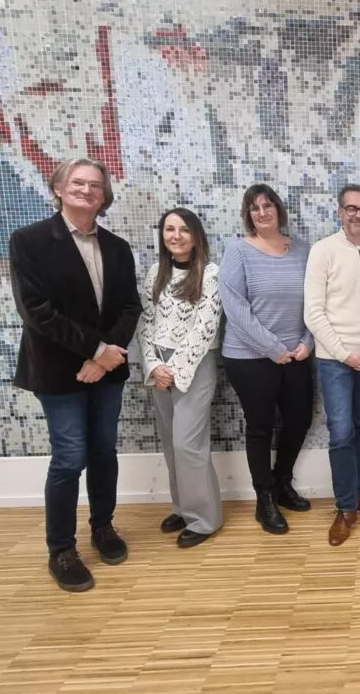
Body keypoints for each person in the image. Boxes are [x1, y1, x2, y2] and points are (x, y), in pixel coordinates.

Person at [9, 157, 142, 592]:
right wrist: (96, 351)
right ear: (59, 188)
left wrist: (105, 358)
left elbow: (130, 307)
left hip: (107, 370)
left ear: (104, 196)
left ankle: (103, 527)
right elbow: (36, 311)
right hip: (58, 369)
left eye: (96, 185)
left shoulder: (117, 247)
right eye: (78, 183)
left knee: (104, 451)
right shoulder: (29, 241)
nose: (87, 190)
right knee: (69, 458)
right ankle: (61, 549)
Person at [219, 184, 314, 535]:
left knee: (299, 421)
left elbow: (316, 302)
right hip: (250, 357)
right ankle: (264, 499)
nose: (262, 212)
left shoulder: (302, 250)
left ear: (279, 210)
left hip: (297, 354)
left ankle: (282, 482)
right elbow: (236, 309)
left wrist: (307, 342)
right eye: (254, 208)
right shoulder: (238, 251)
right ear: (248, 215)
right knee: (260, 427)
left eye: (268, 205)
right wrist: (273, 348)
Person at [304, 184, 360, 546]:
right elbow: (313, 312)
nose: (358, 214)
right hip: (335, 361)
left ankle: (359, 493)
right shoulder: (322, 251)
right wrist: (344, 354)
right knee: (341, 433)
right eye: (351, 208)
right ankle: (345, 508)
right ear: (340, 212)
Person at [137, 208, 223, 548]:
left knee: (188, 444)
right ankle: (182, 508)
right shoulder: (155, 272)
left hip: (194, 366)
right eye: (169, 229)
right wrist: (153, 366)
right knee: (171, 444)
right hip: (158, 367)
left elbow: (205, 328)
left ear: (196, 235)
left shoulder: (210, 274)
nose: (176, 236)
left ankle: (204, 519)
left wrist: (174, 369)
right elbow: (145, 322)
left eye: (184, 229)